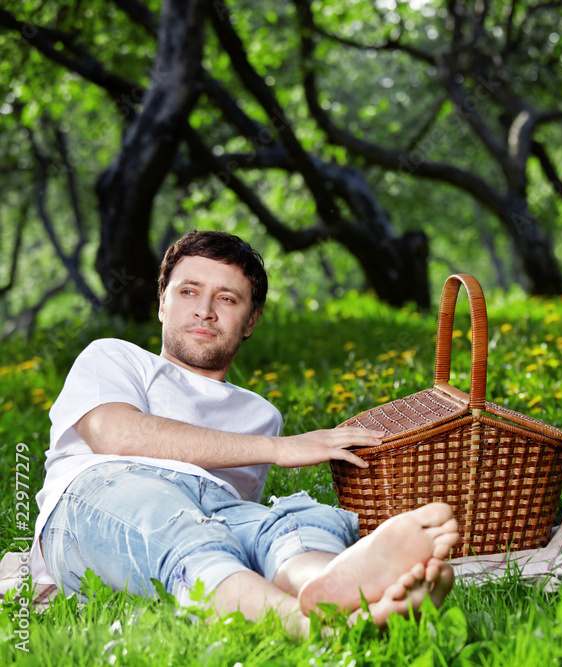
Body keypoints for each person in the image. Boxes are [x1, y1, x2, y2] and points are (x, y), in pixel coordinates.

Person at [27, 230, 459, 636]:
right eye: (188, 292)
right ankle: (310, 626)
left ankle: (329, 581)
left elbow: (235, 519)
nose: (204, 310)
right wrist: (280, 449)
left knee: (290, 521)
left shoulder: (260, 415)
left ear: (250, 321)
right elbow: (116, 435)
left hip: (210, 508)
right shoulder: (113, 357)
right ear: (162, 304)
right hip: (101, 501)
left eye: (227, 298)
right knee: (180, 527)